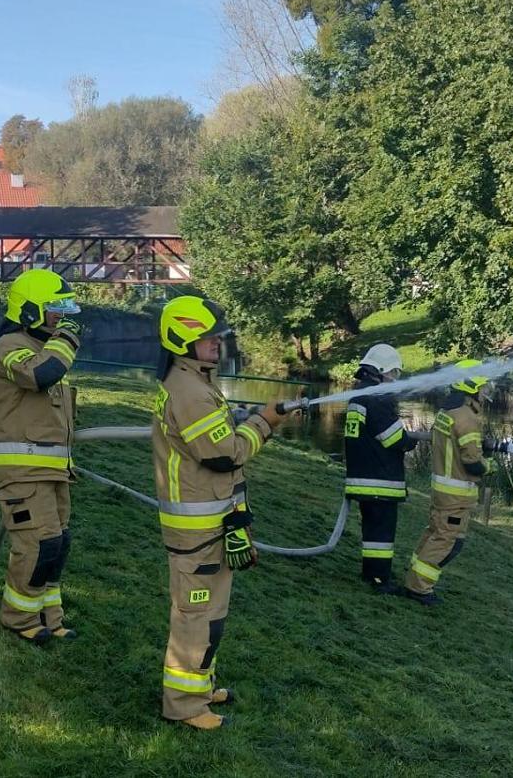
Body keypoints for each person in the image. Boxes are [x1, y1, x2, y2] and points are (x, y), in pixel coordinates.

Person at [151, 295, 301, 731]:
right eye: (208, 337)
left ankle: (200, 687)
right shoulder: (189, 391)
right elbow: (224, 455)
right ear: (182, 340)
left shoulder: (198, 381)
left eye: (218, 335)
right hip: (195, 532)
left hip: (213, 525)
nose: (218, 342)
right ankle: (183, 706)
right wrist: (265, 422)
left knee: (211, 616)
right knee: (195, 619)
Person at [0, 269, 85, 645]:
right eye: (56, 308)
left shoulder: (47, 348)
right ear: (30, 311)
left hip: (52, 470)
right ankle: (17, 617)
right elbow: (41, 374)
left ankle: (48, 616)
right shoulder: (11, 345)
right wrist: (68, 339)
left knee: (57, 544)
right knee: (37, 544)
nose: (64, 315)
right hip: (20, 471)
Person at [405, 360, 495, 606]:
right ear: (471, 387)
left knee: (436, 535)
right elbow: (472, 463)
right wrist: (489, 465)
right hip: (456, 495)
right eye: (483, 387)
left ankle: (415, 579)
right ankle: (419, 588)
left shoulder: (447, 412)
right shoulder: (467, 418)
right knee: (447, 541)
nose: (486, 392)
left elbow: (457, 448)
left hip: (443, 492)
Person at [343, 344, 418, 593]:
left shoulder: (358, 396)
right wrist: (411, 441)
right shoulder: (376, 399)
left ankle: (372, 574)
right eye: (394, 373)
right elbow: (394, 439)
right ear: (382, 371)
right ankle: (379, 580)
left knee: (373, 532)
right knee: (381, 536)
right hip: (379, 480)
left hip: (362, 477)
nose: (395, 378)